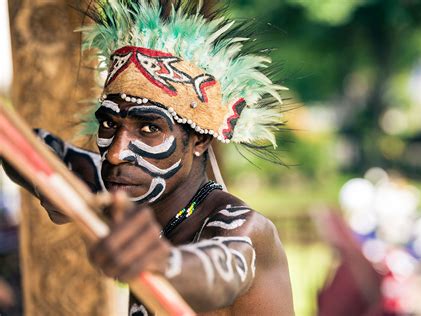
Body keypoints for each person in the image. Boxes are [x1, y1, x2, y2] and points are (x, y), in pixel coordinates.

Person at [4, 1, 294, 314]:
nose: (116, 153)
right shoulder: (122, 187)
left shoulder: (243, 228)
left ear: (200, 139)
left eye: (148, 128)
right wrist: (50, 180)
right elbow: (23, 144)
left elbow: (219, 273)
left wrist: (159, 261)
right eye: (109, 124)